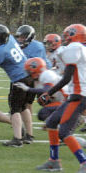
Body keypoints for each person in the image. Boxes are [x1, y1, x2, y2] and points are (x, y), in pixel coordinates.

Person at [36, 24, 86, 172]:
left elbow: (66, 78)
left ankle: (84, 163)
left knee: (64, 132)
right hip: (76, 93)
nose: (65, 38)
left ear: (74, 34)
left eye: (67, 35)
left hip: (79, 95)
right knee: (51, 122)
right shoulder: (80, 48)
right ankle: (54, 161)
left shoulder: (75, 47)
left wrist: (48, 93)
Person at [13, 57, 67, 122]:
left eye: (29, 71)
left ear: (35, 69)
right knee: (42, 102)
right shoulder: (40, 78)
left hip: (67, 101)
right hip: (62, 100)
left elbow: (46, 90)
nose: (28, 74)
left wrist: (28, 89)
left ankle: (69, 119)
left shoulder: (46, 74)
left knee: (43, 113)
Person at [15, 25, 52, 114]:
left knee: (32, 102)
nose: (20, 39)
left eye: (23, 37)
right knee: (22, 102)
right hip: (27, 75)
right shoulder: (17, 45)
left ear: (29, 37)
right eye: (19, 37)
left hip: (39, 76)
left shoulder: (37, 47)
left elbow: (36, 67)